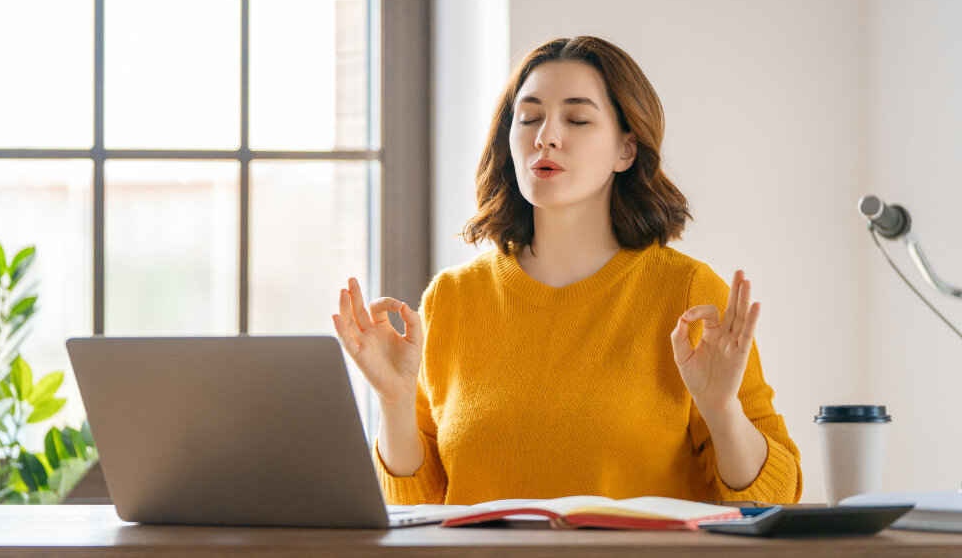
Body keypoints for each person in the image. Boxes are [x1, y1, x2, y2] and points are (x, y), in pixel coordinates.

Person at [331, 35, 802, 506]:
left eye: (577, 119)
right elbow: (417, 508)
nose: (546, 136)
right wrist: (394, 404)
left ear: (626, 151)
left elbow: (774, 500)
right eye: (529, 118)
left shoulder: (689, 295)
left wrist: (722, 411)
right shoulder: (452, 298)